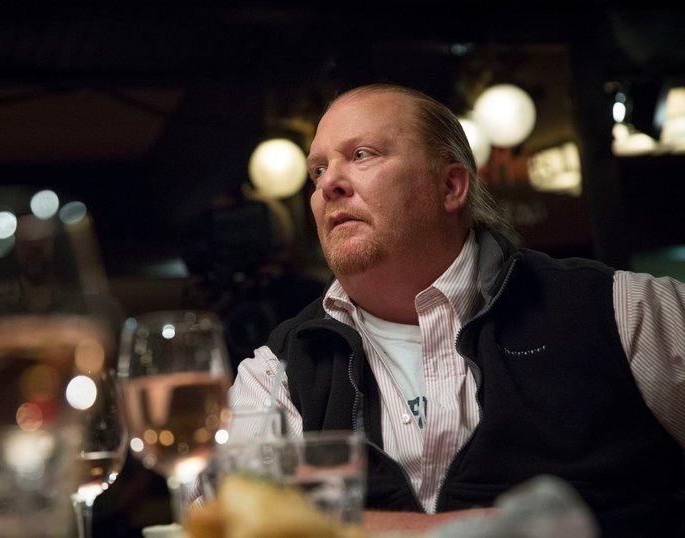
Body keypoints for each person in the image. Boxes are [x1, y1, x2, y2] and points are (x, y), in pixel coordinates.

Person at [227, 83, 685, 537]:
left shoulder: (623, 310)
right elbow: (232, 521)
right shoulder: (277, 371)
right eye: (318, 170)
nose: (328, 183)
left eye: (362, 155)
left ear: (450, 187)